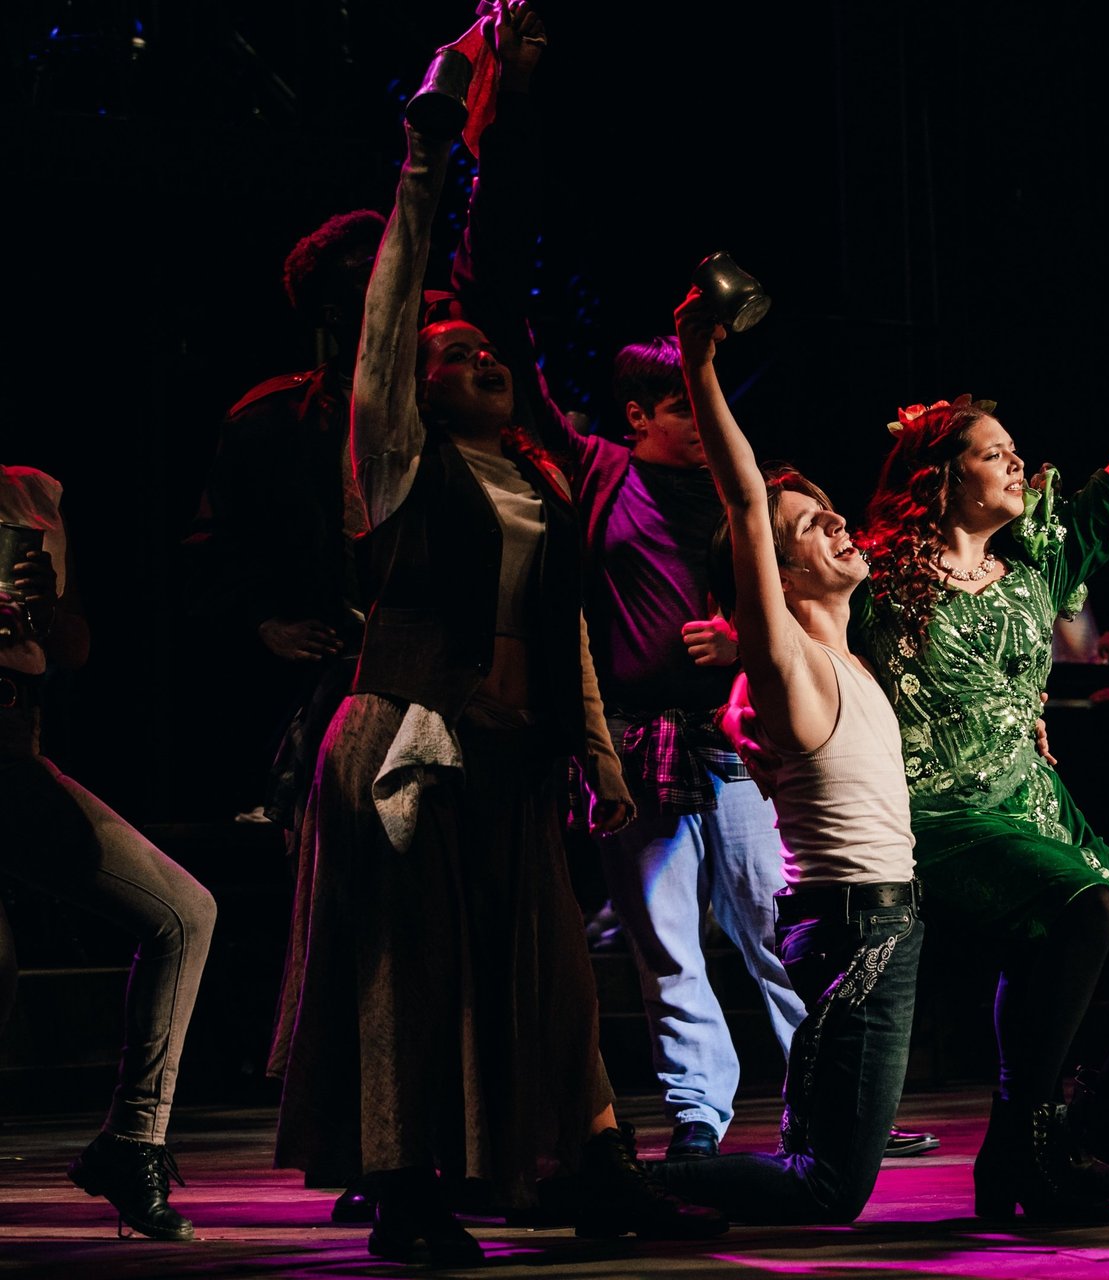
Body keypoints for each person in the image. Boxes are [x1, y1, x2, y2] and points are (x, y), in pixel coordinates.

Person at [441, 16, 934, 1164]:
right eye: (681, 408)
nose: (702, 425)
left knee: (774, 927)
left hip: (738, 740)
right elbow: (512, 332)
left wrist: (743, 646)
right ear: (639, 418)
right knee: (667, 942)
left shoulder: (739, 495)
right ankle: (700, 1121)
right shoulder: (603, 473)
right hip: (637, 739)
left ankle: (833, 1094)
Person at [267, 35, 723, 1261]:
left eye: (486, 353)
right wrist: (427, 151)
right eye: (452, 358)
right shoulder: (401, 466)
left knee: (557, 974)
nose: (480, 361)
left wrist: (594, 748)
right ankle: (402, 1189)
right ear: (411, 395)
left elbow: (560, 620)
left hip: (515, 750)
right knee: (406, 974)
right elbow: (391, 320)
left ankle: (587, 1161)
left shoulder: (536, 477)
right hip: (410, 740)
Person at [852, 301, 1109, 1221]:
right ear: (942, 474)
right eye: (995, 452)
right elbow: (790, 610)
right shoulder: (877, 573)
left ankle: (1088, 1119)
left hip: (1035, 805)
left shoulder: (1040, 563)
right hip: (939, 812)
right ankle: (1017, 1154)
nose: (1018, 465)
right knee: (1085, 910)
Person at [646, 293, 921, 1223]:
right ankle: (620, 1186)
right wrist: (699, 361)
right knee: (831, 1188)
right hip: (858, 929)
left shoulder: (848, 659)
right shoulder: (787, 661)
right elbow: (744, 496)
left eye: (833, 512)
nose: (839, 526)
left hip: (860, 922)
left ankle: (658, 1195)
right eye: (811, 527)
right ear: (777, 570)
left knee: (817, 1159)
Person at [1, 465, 217, 1241]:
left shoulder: (31, 493)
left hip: (12, 746)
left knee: (183, 912)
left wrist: (47, 610)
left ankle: (133, 1141)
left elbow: (75, 647)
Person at [197, 207, 384, 833]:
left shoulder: (455, 398)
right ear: (334, 312)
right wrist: (264, 619)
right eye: (368, 271)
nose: (391, 276)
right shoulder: (269, 419)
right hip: (337, 675)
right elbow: (217, 539)